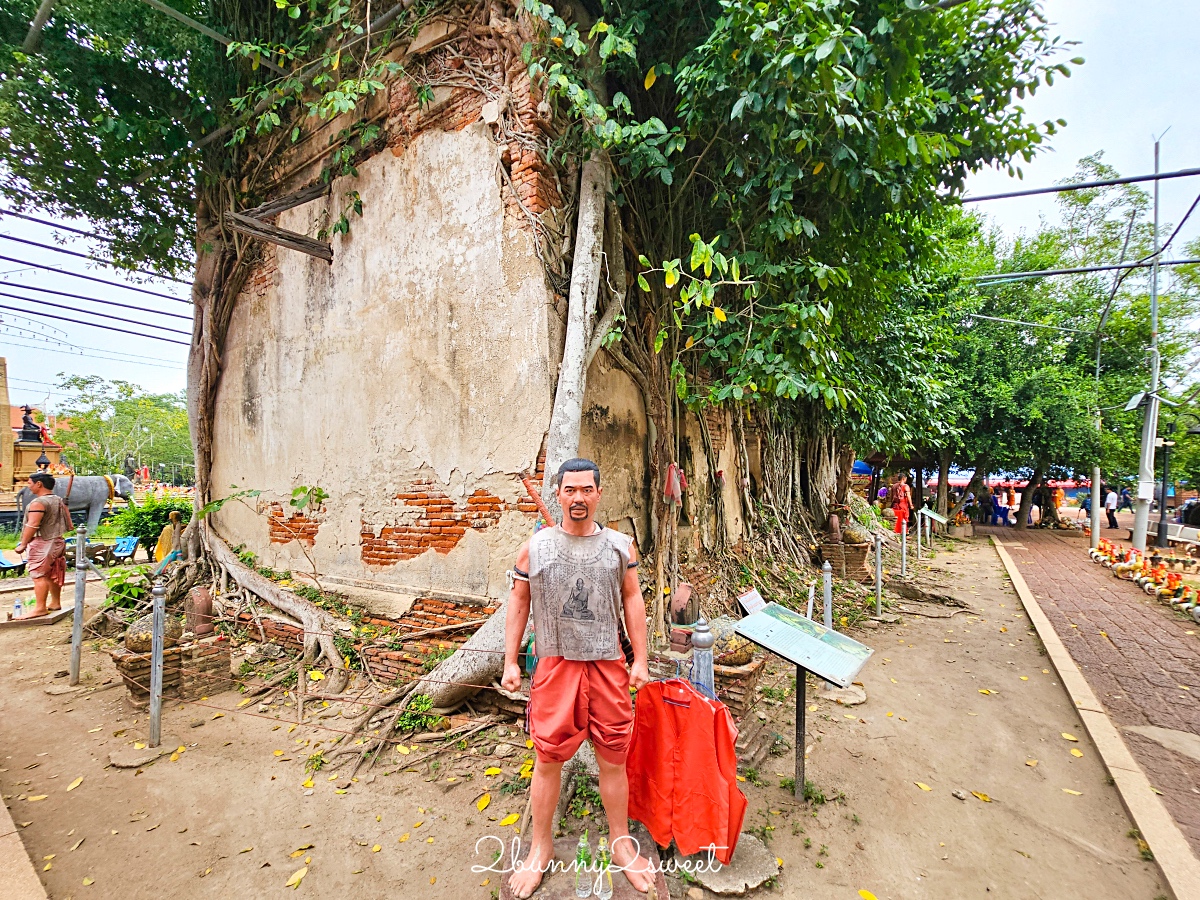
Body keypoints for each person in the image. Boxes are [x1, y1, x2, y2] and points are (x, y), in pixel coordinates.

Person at [501, 458, 653, 898]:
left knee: (613, 758)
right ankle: (540, 848)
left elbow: (633, 600)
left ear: (598, 494)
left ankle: (621, 842)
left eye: (587, 489)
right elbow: (518, 603)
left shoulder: (620, 547)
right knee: (548, 760)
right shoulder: (536, 548)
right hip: (555, 666)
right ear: (559, 495)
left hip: (607, 666)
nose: (578, 497)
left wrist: (639, 659)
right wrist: (511, 662)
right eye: (570, 490)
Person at [14, 473, 73, 619]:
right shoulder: (58, 500)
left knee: (39, 575)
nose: (28, 486)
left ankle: (40, 607)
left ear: (39, 484)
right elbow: (69, 525)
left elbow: (33, 524)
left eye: (29, 483)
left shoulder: (38, 503)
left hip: (43, 542)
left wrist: (23, 544)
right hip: (57, 541)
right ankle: (55, 602)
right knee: (53, 572)